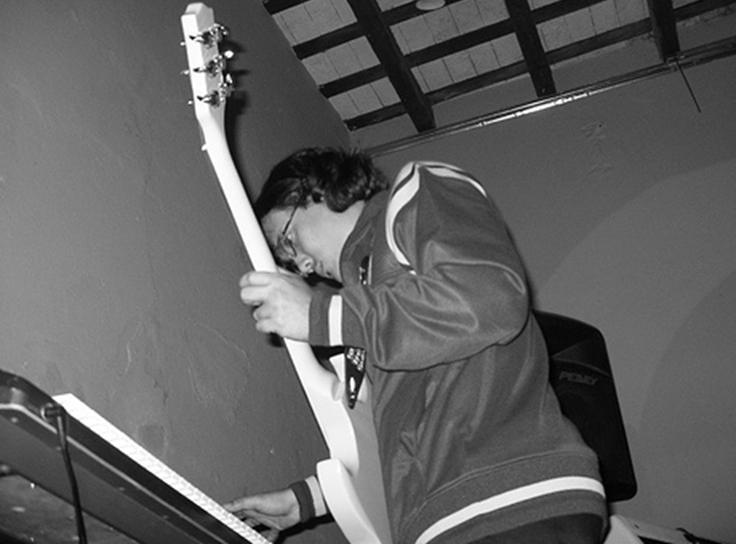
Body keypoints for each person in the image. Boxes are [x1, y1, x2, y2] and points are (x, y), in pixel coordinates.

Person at [225, 147, 607, 544]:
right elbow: (399, 443)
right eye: (289, 262)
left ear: (314, 189)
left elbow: (490, 298)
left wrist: (323, 315)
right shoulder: (367, 309)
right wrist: (311, 499)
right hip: (446, 518)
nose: (303, 266)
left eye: (289, 241)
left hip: (511, 499)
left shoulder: (414, 191)